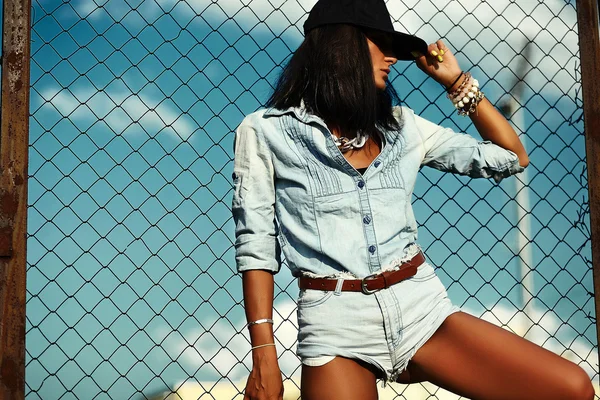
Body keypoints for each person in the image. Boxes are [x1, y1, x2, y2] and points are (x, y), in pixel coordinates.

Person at [231, 0, 596, 399]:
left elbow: (511, 157)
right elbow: (257, 246)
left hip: (422, 309)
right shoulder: (265, 133)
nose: (391, 57)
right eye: (380, 43)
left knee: (571, 389)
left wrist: (455, 82)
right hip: (336, 324)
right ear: (342, 44)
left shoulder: (404, 128)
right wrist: (263, 353)